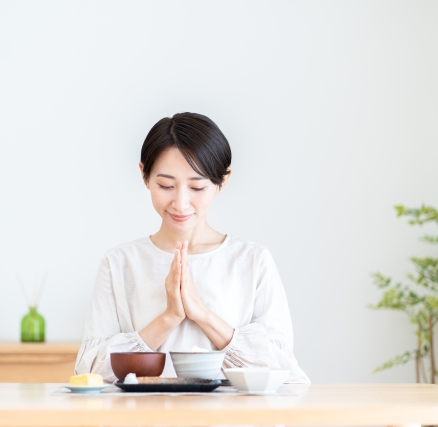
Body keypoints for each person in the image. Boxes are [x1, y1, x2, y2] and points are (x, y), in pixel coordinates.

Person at [74, 112, 309, 383]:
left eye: (197, 187)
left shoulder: (252, 261)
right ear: (145, 176)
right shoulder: (120, 263)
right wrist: (168, 318)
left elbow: (284, 373)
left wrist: (204, 315)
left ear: (223, 181)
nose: (181, 203)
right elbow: (89, 373)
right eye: (166, 185)